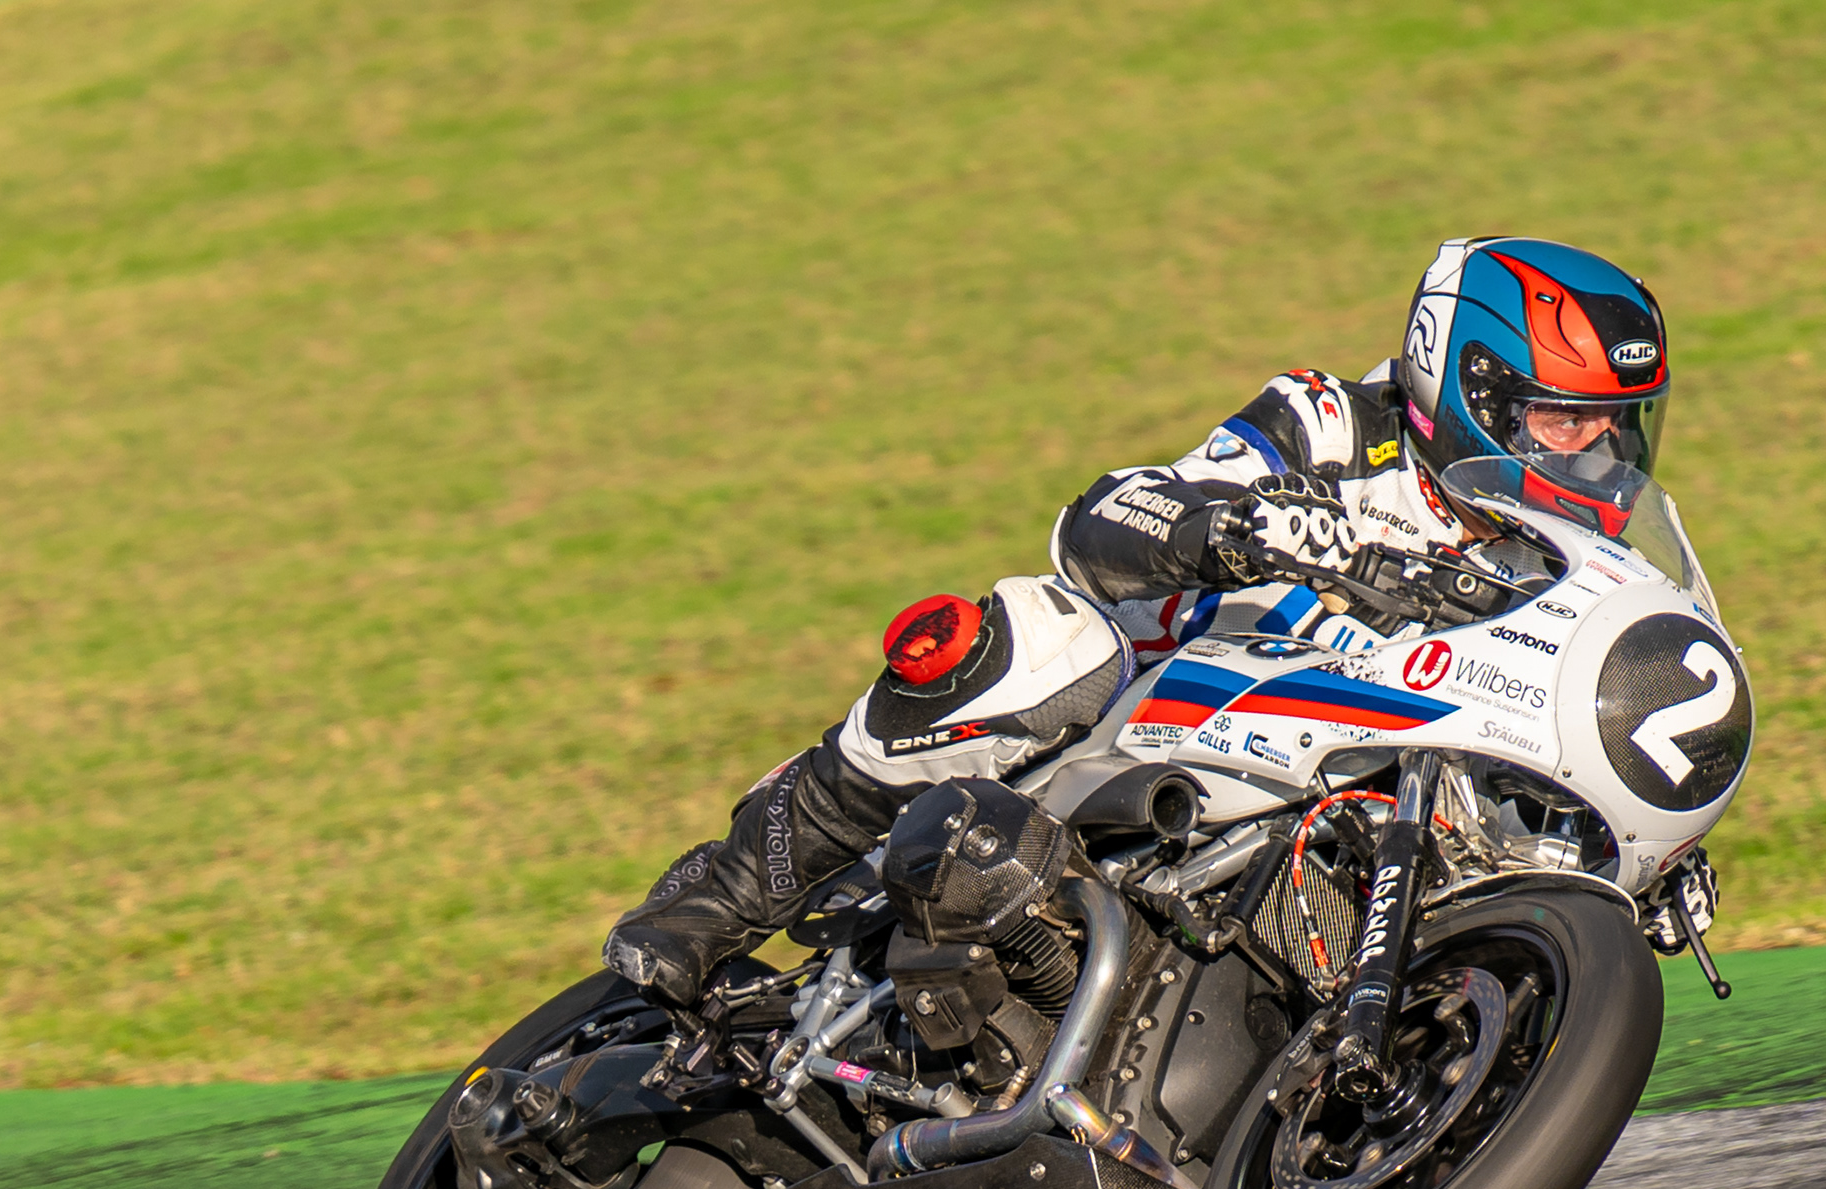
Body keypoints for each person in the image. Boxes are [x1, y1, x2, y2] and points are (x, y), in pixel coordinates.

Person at [600, 236, 1675, 1007]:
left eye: (1614, 430)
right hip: (1153, 719)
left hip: (1336, 798)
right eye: (1561, 420)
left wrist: (1645, 856)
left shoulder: (1551, 560)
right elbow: (1105, 521)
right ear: (1468, 385)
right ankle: (723, 893)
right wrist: (1246, 529)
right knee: (1038, 642)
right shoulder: (1337, 426)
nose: (1593, 457)